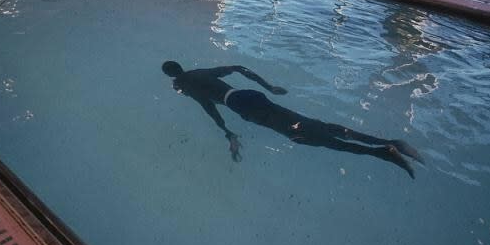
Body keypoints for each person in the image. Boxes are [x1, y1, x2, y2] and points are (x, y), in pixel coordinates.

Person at [162, 61, 424, 178]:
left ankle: (386, 150)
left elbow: (210, 109)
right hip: (248, 95)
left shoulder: (185, 86)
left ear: (172, 77)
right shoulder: (199, 72)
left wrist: (228, 133)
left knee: (302, 136)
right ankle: (386, 146)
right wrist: (269, 86)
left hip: (242, 106)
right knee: (308, 127)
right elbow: (238, 67)